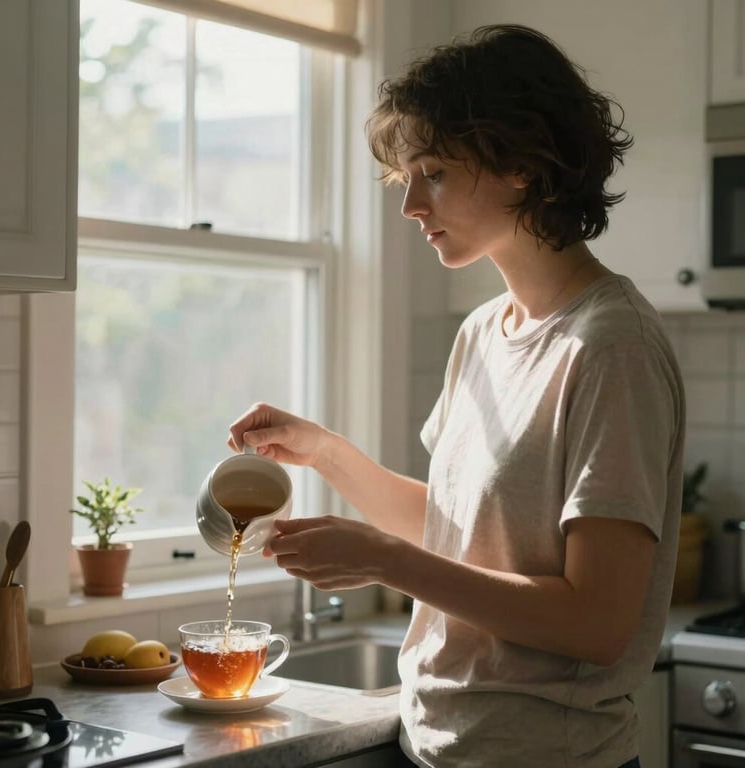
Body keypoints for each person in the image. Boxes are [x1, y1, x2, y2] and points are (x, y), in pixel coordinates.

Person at [228, 23, 685, 768]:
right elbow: (454, 530)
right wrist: (326, 453)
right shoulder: (482, 331)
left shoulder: (612, 345)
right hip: (436, 745)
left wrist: (383, 561)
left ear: (523, 165)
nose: (410, 204)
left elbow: (597, 621)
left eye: (433, 171)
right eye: (406, 175)